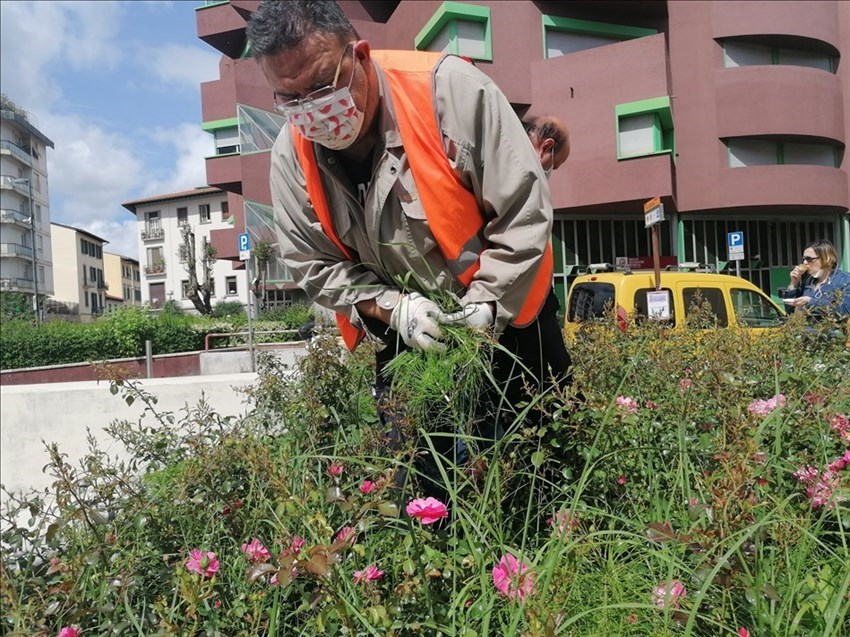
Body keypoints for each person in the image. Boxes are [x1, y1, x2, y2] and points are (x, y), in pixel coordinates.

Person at [246, 1, 572, 485]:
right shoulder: (291, 155)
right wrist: (392, 308)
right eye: (290, 98)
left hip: (510, 315)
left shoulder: (450, 93)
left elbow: (524, 211)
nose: (311, 110)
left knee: (540, 467)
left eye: (321, 86)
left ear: (358, 55)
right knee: (420, 485)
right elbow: (313, 263)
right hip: (406, 333)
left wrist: (487, 302)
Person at [783, 240, 850, 320]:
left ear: (826, 259)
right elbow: (791, 313)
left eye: (809, 259)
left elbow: (845, 311)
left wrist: (810, 302)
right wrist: (793, 284)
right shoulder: (808, 281)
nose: (805, 262)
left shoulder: (845, 280)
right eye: (804, 259)